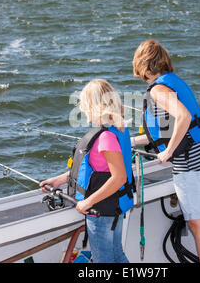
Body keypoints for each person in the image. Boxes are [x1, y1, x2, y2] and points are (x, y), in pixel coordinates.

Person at [131, 39, 200, 263]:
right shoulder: (173, 81)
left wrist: (168, 151)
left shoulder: (159, 90)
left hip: (191, 162)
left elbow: (184, 117)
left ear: (143, 65)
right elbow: (171, 128)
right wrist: (131, 141)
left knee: (197, 223)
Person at [40, 79, 134, 263]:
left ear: (92, 105)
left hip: (101, 210)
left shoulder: (105, 137)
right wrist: (59, 180)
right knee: (117, 256)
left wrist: (87, 202)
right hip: (112, 208)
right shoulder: (117, 129)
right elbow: (94, 170)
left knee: (103, 260)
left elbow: (119, 177)